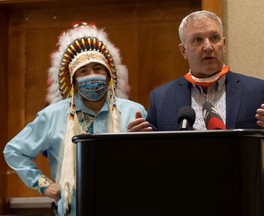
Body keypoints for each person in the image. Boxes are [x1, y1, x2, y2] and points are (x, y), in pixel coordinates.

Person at [3, 22, 152, 216]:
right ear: (73, 80)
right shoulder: (53, 115)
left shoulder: (134, 112)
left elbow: (150, 165)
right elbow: (14, 151)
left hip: (125, 207)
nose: (92, 75)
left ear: (108, 75)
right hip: (73, 210)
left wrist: (142, 145)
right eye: (83, 71)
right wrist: (43, 185)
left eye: (98, 69)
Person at [141, 10, 264, 165]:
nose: (208, 46)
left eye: (214, 38)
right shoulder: (161, 99)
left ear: (223, 44)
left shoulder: (257, 91)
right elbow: (149, 162)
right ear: (183, 50)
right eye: (197, 40)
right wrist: (135, 144)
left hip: (240, 186)